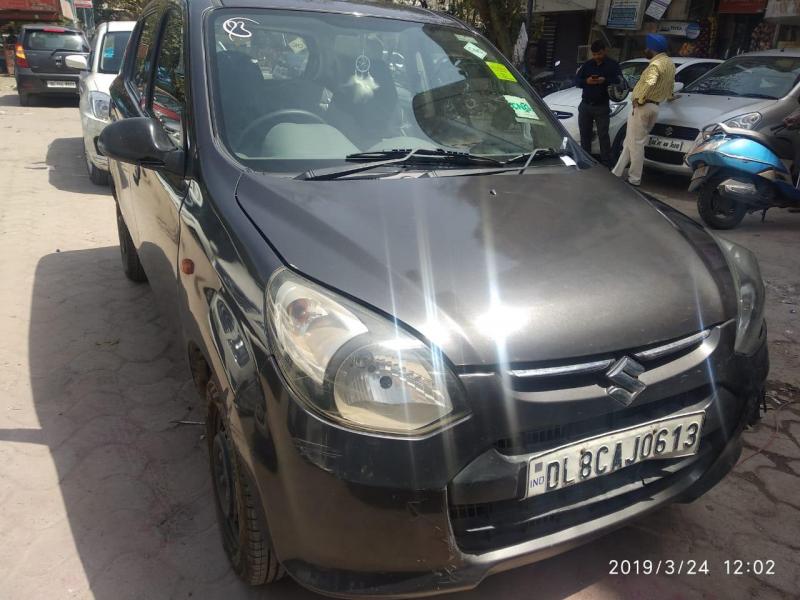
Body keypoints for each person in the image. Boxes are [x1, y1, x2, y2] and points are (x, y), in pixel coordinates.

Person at [612, 34, 676, 187]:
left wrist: (639, 99)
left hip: (643, 106)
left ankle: (634, 179)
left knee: (637, 144)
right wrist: (670, 96)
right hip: (654, 107)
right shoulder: (669, 64)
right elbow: (670, 85)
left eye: (647, 48)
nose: (645, 50)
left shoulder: (655, 66)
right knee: (630, 142)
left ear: (652, 49)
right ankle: (616, 172)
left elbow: (650, 82)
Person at [575, 40, 623, 167]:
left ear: (605, 51)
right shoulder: (588, 64)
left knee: (603, 135)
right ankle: (586, 161)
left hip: (601, 105)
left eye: (599, 54)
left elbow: (620, 81)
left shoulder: (612, 65)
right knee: (585, 134)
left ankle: (606, 163)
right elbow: (577, 81)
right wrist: (587, 81)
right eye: (595, 54)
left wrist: (605, 80)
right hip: (585, 105)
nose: (597, 57)